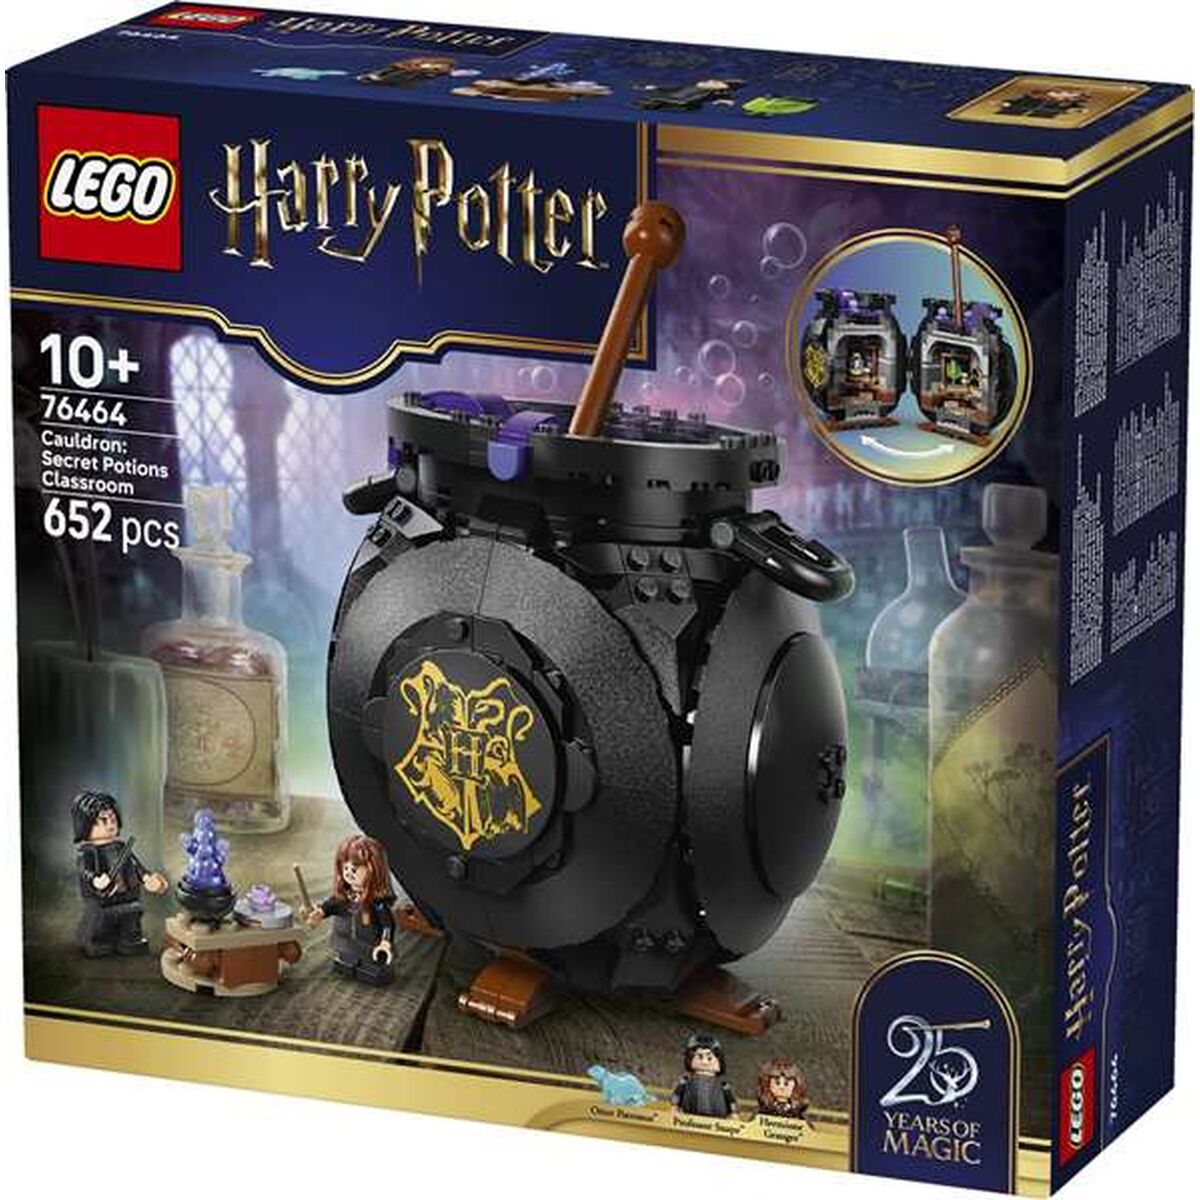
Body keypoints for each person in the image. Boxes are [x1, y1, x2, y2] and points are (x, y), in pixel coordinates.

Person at [72, 790, 168, 957]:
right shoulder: (87, 852)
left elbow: (137, 867)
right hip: (102, 901)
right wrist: (95, 880)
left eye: (113, 819)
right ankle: (98, 940)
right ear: (85, 825)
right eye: (103, 820)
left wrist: (147, 878)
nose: (110, 824)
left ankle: (130, 938)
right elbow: (85, 870)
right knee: (101, 919)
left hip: (128, 898)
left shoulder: (122, 848)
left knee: (132, 915)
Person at [304, 835, 396, 985]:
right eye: (345, 867)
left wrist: (385, 942)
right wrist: (320, 912)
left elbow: (388, 923)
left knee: (372, 967)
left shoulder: (377, 903)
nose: (348, 872)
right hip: (345, 941)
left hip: (369, 944)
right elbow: (331, 905)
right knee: (346, 960)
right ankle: (348, 964)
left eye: (354, 869)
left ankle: (371, 969)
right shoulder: (345, 896)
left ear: (374, 869)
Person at [671, 1033, 737, 1118]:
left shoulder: (723, 1085)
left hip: (717, 1122)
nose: (704, 1062)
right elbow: (677, 1095)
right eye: (700, 1057)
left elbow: (731, 1101)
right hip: (689, 1119)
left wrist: (734, 1113)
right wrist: (674, 1108)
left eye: (709, 1058)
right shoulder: (686, 1081)